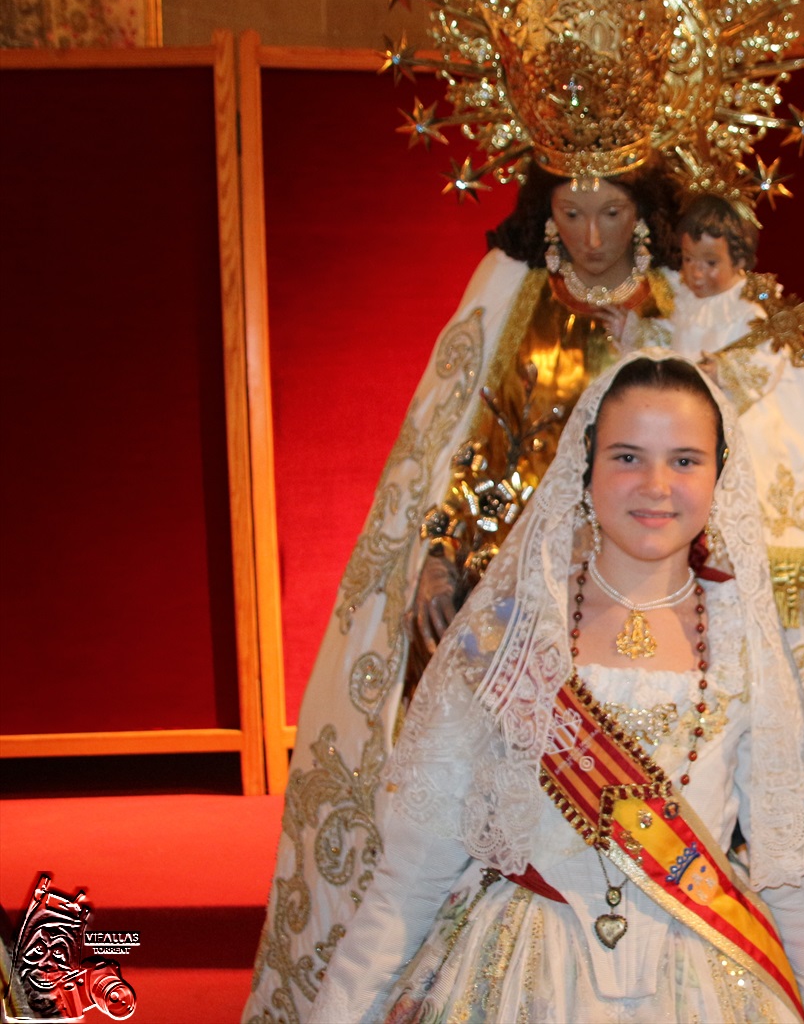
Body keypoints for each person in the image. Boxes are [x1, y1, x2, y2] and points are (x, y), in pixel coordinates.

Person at [307, 351, 804, 1023]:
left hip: (698, 975)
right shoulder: (510, 632)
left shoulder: (745, 637)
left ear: (722, 476)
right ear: (585, 469)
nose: (656, 485)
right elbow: (413, 874)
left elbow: (795, 872)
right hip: (519, 974)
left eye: (685, 460)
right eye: (627, 457)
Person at [243, 162, 679, 1022]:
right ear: (545, 213)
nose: (592, 238)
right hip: (508, 589)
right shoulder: (517, 296)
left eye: (613, 212)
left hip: (643, 593)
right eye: (573, 211)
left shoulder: (681, 305)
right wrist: (440, 556)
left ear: (645, 213)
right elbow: (462, 442)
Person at [667, 194, 804, 914]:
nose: (697, 274)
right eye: (690, 259)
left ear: (739, 262)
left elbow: (746, 383)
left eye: (711, 262)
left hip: (767, 481)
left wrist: (703, 373)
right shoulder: (678, 308)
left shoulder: (755, 323)